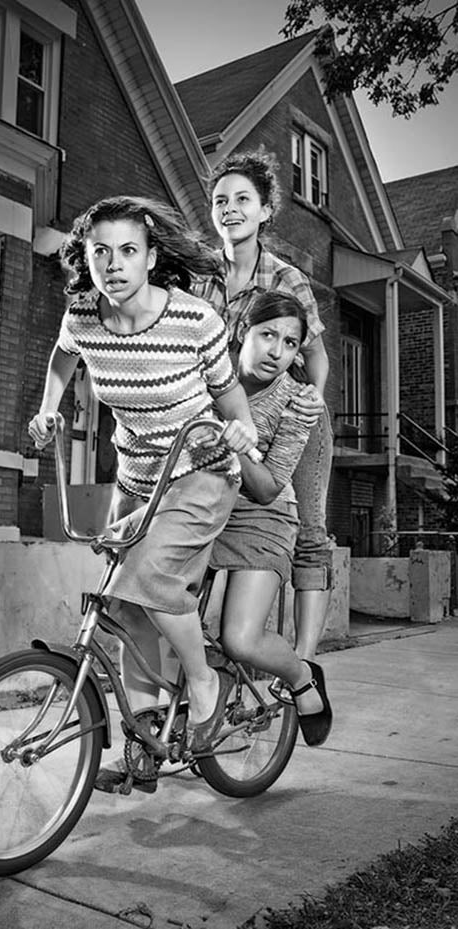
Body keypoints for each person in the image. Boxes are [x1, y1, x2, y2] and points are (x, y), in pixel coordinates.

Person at [28, 194, 259, 772]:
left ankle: (205, 683)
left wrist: (239, 433)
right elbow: (63, 357)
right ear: (87, 256)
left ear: (151, 258)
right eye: (100, 251)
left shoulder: (194, 320)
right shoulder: (83, 315)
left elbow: (238, 409)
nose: (113, 264)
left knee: (150, 578)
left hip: (201, 472)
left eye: (128, 250)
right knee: (125, 609)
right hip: (136, 477)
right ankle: (147, 739)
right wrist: (49, 408)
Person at [192, 148, 333, 694]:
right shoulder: (203, 272)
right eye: (220, 200)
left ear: (265, 210)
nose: (230, 209)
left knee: (308, 530)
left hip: (290, 409)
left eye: (242, 200)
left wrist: (309, 402)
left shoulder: (285, 276)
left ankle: (301, 664)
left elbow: (314, 354)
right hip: (229, 408)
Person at [210, 290, 332, 747]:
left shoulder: (298, 402)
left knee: (240, 639)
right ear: (244, 332)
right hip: (202, 506)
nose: (277, 351)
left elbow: (268, 488)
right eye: (267, 336)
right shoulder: (210, 374)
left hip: (262, 518)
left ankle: (302, 677)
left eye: (291, 343)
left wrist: (232, 445)